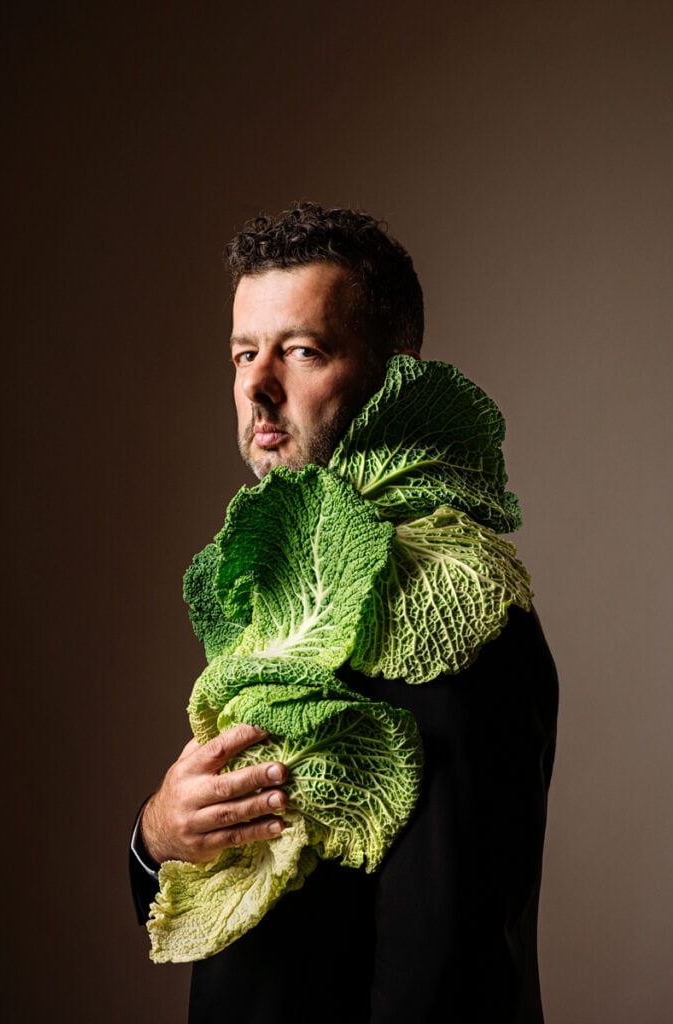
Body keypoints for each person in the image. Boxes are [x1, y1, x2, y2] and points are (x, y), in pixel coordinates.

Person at [129, 201, 559, 1023]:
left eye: (300, 351)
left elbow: (445, 963)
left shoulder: (450, 602)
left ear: (393, 374)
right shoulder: (288, 577)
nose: (256, 385)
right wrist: (156, 837)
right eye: (242, 352)